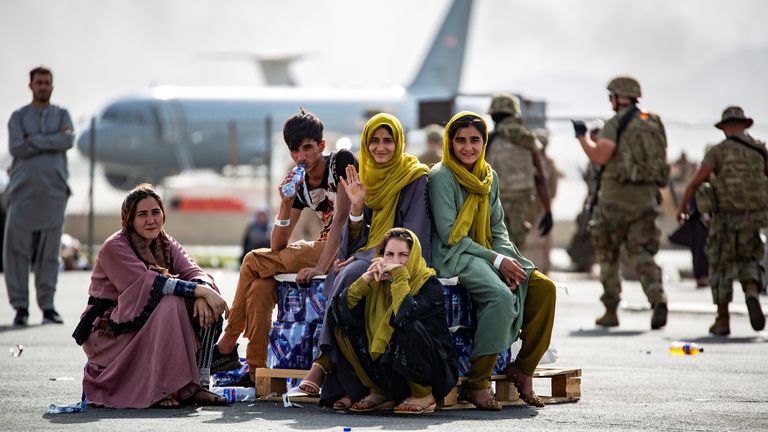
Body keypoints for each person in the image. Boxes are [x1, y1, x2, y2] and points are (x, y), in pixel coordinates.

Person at [212, 109, 357, 381]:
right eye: (295, 151)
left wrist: (319, 266)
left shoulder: (340, 162)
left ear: (321, 146)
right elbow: (278, 244)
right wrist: (286, 203)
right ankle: (256, 371)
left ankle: (228, 340)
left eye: (308, 148)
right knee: (259, 287)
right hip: (324, 245)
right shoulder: (299, 181)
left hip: (347, 246)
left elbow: (341, 221)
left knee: (253, 261)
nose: (302, 157)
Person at [303, 113, 431, 409]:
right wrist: (358, 207)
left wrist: (367, 258)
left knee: (349, 276)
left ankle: (323, 363)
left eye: (388, 141)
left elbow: (412, 234)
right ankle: (354, 386)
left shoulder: (415, 177)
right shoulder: (367, 177)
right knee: (342, 277)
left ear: (399, 142)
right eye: (374, 140)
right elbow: (359, 232)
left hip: (401, 257)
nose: (381, 147)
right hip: (369, 253)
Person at [429, 111, 557, 409]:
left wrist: (509, 260)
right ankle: (478, 382)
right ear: (450, 142)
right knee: (499, 296)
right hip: (455, 254)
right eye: (460, 140)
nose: (468, 147)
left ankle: (523, 369)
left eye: (475, 140)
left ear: (484, 142)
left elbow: (498, 229)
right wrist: (497, 263)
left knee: (542, 287)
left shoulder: (488, 176)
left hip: (488, 250)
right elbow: (451, 235)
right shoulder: (442, 176)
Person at [75, 184, 230, 408]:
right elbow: (152, 284)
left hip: (144, 322)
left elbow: (195, 272)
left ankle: (198, 385)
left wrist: (203, 291)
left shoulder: (165, 243)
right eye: (142, 215)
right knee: (172, 302)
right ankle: (163, 388)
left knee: (204, 303)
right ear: (129, 220)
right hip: (110, 331)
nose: (151, 220)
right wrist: (199, 291)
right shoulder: (114, 247)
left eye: (155, 212)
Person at [322, 228, 458, 414]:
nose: (395, 261)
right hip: (392, 373)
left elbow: (405, 313)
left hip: (432, 373)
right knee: (342, 326)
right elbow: (337, 312)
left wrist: (400, 276)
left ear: (414, 255)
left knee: (406, 324)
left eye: (403, 255)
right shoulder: (378, 284)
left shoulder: (428, 284)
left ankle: (422, 394)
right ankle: (380, 392)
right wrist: (365, 279)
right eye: (389, 255)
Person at [573, 76, 669, 329]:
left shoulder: (614, 124)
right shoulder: (653, 123)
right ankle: (657, 297)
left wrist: (582, 137)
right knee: (641, 253)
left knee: (608, 255)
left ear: (617, 97)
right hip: (646, 200)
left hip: (614, 202)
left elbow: (600, 155)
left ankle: (611, 310)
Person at [676, 106, 767, 335]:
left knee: (720, 265)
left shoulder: (718, 151)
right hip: (754, 218)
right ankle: (752, 293)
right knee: (749, 259)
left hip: (724, 219)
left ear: (725, 127)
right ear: (745, 126)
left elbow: (696, 182)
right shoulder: (760, 150)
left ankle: (723, 319)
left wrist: (682, 208)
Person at [5, 66, 73, 326]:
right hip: (23, 195)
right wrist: (51, 139)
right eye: (39, 82)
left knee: (49, 254)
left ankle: (48, 306)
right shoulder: (18, 117)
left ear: (52, 86)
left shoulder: (62, 114)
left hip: (53, 195)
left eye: (47, 82)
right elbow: (16, 146)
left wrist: (35, 140)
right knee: (17, 253)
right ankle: (20, 307)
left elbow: (67, 141)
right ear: (30, 86)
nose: (43, 86)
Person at [485, 94, 552, 251]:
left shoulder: (489, 140)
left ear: (493, 116)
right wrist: (548, 211)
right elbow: (541, 178)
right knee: (515, 249)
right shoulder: (528, 139)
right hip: (521, 202)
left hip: (494, 202)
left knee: (495, 249)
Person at [567, 120, 602, 272]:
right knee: (583, 229)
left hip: (604, 203)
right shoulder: (592, 159)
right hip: (593, 201)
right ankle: (583, 262)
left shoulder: (605, 155)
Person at [524, 128, 561, 273]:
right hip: (530, 206)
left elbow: (552, 188)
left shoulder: (550, 163)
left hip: (542, 207)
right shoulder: (531, 162)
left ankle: (543, 269)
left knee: (544, 240)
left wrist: (546, 205)